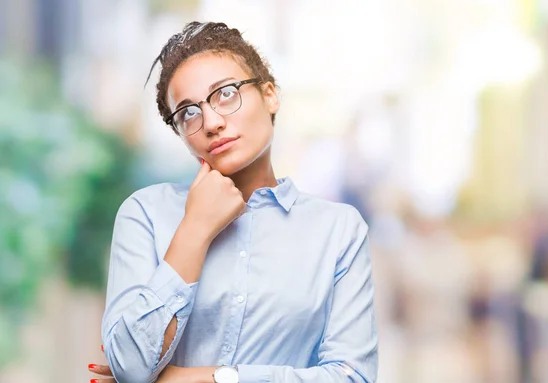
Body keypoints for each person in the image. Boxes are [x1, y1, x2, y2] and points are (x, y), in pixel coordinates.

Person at [87, 21, 378, 383]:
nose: (210, 122)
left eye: (225, 93)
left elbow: (351, 377)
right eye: (188, 113)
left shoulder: (338, 230)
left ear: (270, 95)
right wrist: (194, 230)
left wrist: (211, 378)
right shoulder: (145, 214)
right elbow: (129, 367)